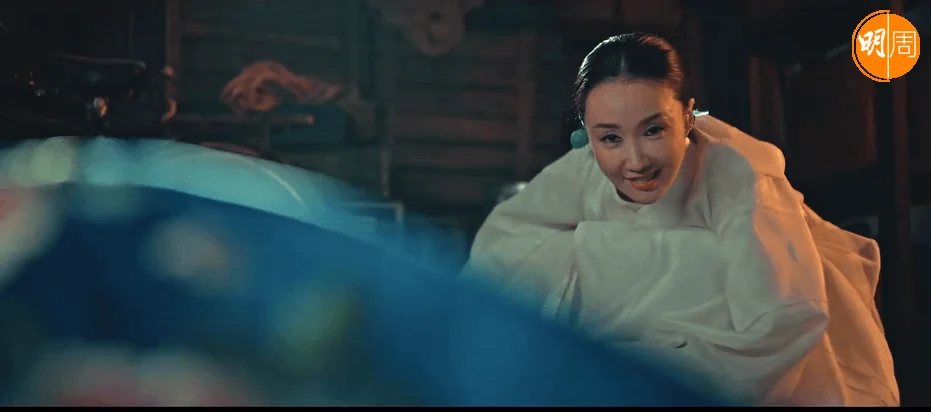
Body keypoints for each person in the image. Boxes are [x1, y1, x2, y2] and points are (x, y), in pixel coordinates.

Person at [464, 32, 898, 406]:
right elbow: (500, 248)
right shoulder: (586, 166)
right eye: (610, 138)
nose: (636, 160)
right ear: (587, 133)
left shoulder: (739, 175)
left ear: (688, 116)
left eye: (654, 130)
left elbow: (782, 323)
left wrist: (646, 367)